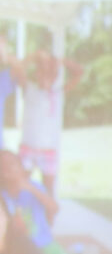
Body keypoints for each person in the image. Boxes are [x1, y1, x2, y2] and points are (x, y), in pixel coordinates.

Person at [19, 47, 84, 196]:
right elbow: (18, 68)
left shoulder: (58, 93)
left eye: (50, 73)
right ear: (36, 73)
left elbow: (79, 72)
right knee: (21, 187)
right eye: (42, 71)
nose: (46, 76)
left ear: (55, 76)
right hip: (28, 148)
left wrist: (61, 61)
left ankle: (48, 219)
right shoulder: (29, 88)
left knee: (49, 192)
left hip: (48, 151)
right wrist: (34, 55)